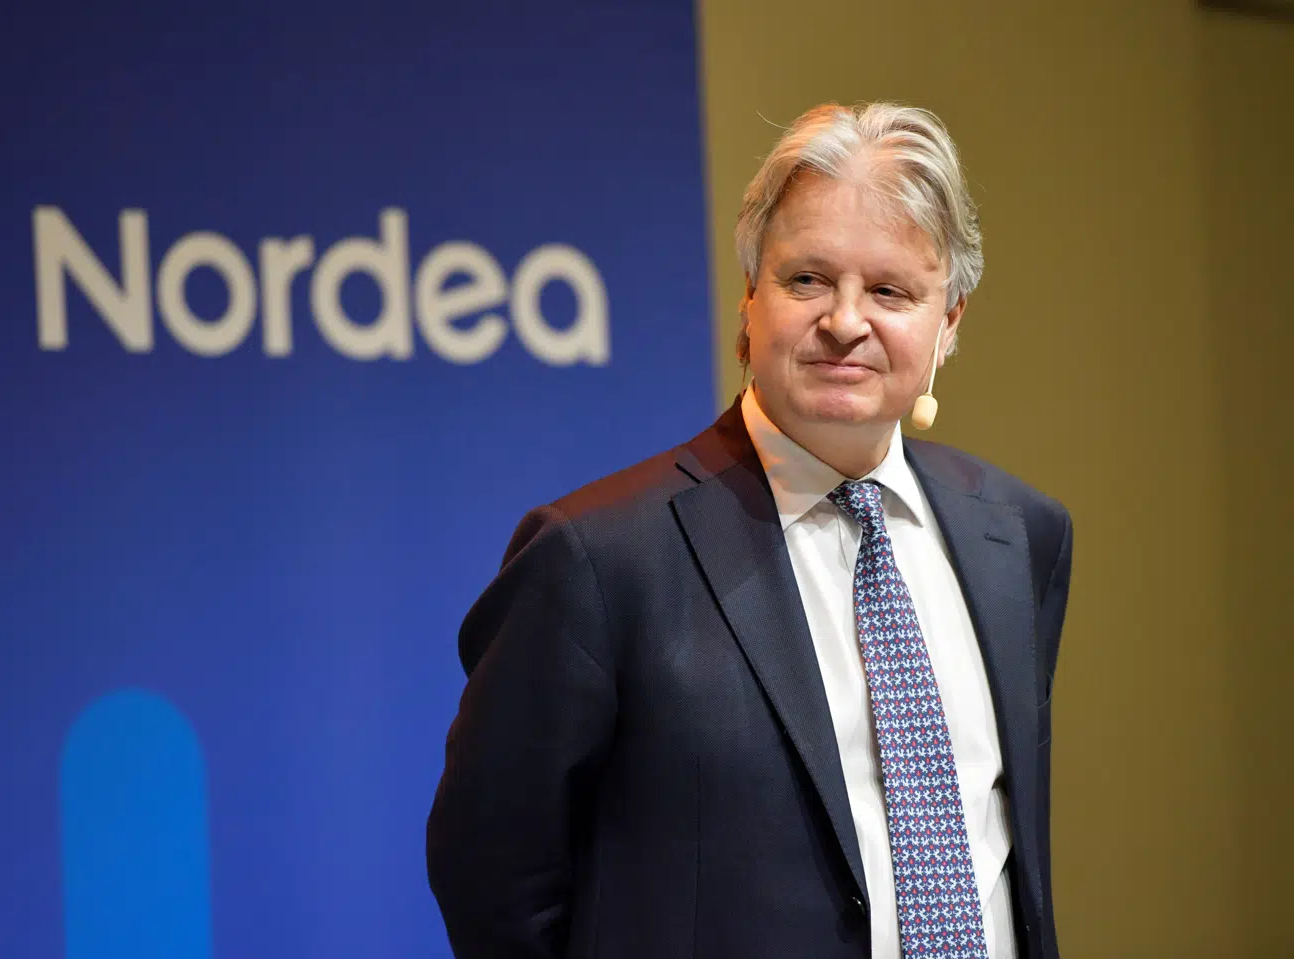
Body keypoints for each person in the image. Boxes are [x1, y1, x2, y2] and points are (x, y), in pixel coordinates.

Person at [426, 101, 1073, 959]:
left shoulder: (1020, 536)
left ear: (948, 322)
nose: (846, 321)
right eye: (807, 279)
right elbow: (491, 876)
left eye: (890, 291)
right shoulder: (597, 557)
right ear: (750, 298)